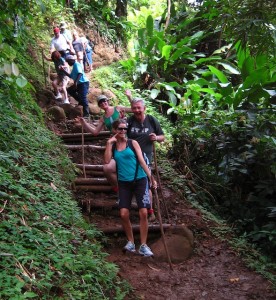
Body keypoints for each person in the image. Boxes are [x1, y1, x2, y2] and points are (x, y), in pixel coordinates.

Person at [104, 91, 165, 220]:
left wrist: (156, 137)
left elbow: (162, 137)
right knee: (107, 168)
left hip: (145, 156)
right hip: (127, 154)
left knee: (146, 183)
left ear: (144, 108)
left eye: (139, 108)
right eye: (134, 108)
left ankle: (150, 210)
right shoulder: (129, 121)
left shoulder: (152, 120)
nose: (137, 110)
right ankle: (123, 191)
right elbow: (118, 129)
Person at [104, 119, 156, 256]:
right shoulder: (113, 146)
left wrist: (151, 177)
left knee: (143, 212)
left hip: (140, 179)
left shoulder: (133, 143)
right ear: (115, 130)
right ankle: (131, 242)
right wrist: (109, 143)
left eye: (125, 129)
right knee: (123, 214)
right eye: (120, 129)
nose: (123, 131)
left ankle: (144, 245)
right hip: (124, 182)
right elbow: (107, 161)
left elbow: (141, 160)